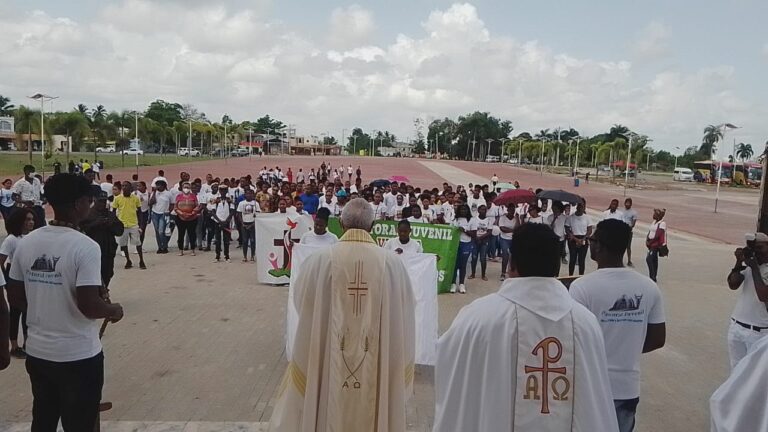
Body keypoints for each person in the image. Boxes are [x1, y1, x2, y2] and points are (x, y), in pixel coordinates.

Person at [434, 223, 619, 432]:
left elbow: (449, 366)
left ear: (512, 263)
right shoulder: (585, 323)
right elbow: (596, 403)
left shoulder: (478, 317)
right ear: (556, 265)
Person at [269, 198, 415, 431]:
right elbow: (406, 311)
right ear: (373, 226)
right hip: (375, 365)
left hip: (328, 359)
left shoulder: (319, 261)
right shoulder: (392, 265)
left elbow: (301, 302)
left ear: (341, 225)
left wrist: (324, 321)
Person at [6, 173, 124, 431]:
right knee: (80, 423)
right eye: (89, 200)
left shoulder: (29, 242)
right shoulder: (85, 246)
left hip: (38, 354)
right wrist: (113, 310)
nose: (91, 205)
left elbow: (14, 296)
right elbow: (90, 306)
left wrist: (45, 307)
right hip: (78, 357)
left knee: (44, 419)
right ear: (79, 203)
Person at [570, 219, 666, 432]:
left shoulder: (582, 288)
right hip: (627, 386)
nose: (589, 243)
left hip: (590, 386)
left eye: (592, 239)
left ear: (599, 246)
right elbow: (658, 339)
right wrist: (627, 347)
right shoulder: (648, 287)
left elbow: (572, 338)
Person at [725, 232, 768, 369]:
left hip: (758, 332)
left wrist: (755, 267)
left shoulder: (758, 267)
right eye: (754, 248)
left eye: (760, 247)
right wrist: (739, 261)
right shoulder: (749, 265)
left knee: (752, 375)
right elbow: (733, 284)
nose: (757, 252)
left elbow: (763, 296)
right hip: (737, 326)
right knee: (736, 372)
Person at [0, 207, 35, 359]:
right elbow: (1, 261)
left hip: (29, 276)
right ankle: (14, 346)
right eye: (27, 219)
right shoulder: (11, 239)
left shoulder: (33, 237)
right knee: (15, 312)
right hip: (14, 276)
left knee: (28, 311)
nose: (31, 222)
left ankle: (28, 342)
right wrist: (6, 281)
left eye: (32, 219)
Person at [80, 191, 124, 292]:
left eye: (104, 202)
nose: (102, 204)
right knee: (94, 275)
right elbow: (80, 230)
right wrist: (95, 224)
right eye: (100, 201)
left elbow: (120, 231)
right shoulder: (87, 214)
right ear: (94, 200)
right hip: (91, 251)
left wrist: (110, 225)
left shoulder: (110, 215)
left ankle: (104, 291)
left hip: (108, 250)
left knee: (108, 273)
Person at [113, 181, 147, 269]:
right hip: (122, 225)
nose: (124, 187)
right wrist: (115, 223)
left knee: (138, 243)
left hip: (133, 224)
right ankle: (128, 260)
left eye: (126, 186)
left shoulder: (135, 198)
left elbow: (140, 212)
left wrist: (141, 225)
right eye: (123, 186)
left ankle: (141, 260)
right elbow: (113, 212)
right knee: (123, 244)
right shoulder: (117, 198)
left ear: (130, 188)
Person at [450, 204, 476, 294]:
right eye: (461, 209)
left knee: (463, 264)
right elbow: (450, 231)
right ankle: (453, 283)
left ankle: (461, 284)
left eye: (465, 209)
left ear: (468, 211)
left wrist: (464, 230)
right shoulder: (455, 220)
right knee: (454, 264)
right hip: (455, 244)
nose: (463, 211)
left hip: (466, 244)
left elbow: (474, 234)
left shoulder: (472, 220)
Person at [565, 201, 593, 276]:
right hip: (573, 239)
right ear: (577, 207)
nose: (580, 208)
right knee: (572, 260)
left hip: (583, 239)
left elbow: (590, 230)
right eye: (579, 206)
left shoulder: (587, 218)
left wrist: (583, 239)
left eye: (582, 206)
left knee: (581, 260)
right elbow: (567, 228)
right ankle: (570, 276)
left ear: (584, 207)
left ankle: (581, 276)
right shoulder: (571, 217)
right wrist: (575, 238)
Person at [175, 181, 200, 256]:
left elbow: (197, 206)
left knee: (192, 234)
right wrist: (182, 213)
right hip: (180, 218)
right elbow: (175, 207)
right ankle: (180, 250)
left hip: (192, 218)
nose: (186, 189)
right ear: (182, 188)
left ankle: (192, 249)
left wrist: (192, 213)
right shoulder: (178, 196)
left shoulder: (193, 196)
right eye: (185, 187)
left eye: (187, 187)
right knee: (181, 234)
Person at [149, 180, 174, 254]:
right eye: (157, 185)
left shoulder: (168, 194)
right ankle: (160, 247)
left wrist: (168, 211)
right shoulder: (154, 193)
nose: (157, 187)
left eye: (159, 185)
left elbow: (172, 204)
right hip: (155, 213)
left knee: (161, 231)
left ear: (163, 186)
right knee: (157, 231)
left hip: (163, 214)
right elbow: (151, 203)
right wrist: (154, 193)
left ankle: (164, 245)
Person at [212, 185, 234, 263]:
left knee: (226, 240)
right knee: (217, 240)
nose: (223, 192)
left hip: (226, 222)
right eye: (221, 190)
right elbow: (213, 212)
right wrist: (219, 221)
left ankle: (226, 256)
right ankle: (217, 256)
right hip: (218, 222)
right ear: (219, 191)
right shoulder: (216, 200)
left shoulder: (229, 200)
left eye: (224, 190)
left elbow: (232, 211)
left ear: (226, 191)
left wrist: (226, 221)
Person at [237, 189, 260, 261]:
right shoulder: (241, 203)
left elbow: (258, 215)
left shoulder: (256, 204)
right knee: (245, 241)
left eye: (250, 194)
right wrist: (242, 223)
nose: (249, 195)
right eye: (247, 194)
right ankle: (245, 256)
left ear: (252, 195)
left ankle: (252, 255)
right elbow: (239, 214)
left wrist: (253, 223)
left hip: (252, 224)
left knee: (253, 240)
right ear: (245, 195)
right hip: (244, 224)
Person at [470, 204, 491, 281]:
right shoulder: (474, 219)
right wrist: (476, 238)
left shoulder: (488, 220)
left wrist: (481, 238)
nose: (483, 211)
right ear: (478, 210)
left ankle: (483, 275)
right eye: (482, 209)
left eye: (485, 210)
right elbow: (471, 230)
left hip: (484, 241)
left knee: (483, 258)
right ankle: (473, 274)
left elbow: (489, 232)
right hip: (475, 240)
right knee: (474, 258)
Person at [645, 208, 667, 282]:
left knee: (649, 259)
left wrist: (650, 242)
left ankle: (652, 276)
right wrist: (647, 239)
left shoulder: (662, 223)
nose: (653, 215)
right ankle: (654, 276)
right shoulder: (654, 221)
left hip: (655, 244)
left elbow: (658, 235)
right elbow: (650, 231)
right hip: (650, 243)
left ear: (658, 216)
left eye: (654, 214)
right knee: (654, 259)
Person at [498, 204, 517, 281]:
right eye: (511, 209)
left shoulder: (516, 218)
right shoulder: (502, 217)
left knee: (513, 257)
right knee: (505, 255)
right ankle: (503, 273)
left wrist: (518, 219)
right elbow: (502, 228)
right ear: (508, 210)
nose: (512, 211)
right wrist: (513, 230)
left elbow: (518, 228)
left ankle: (511, 272)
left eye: (514, 210)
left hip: (513, 239)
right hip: (504, 238)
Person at [622, 198, 638, 266]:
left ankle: (629, 260)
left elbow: (633, 223)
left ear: (631, 204)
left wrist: (629, 227)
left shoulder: (633, 212)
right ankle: (620, 260)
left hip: (628, 230)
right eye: (626, 203)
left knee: (628, 246)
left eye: (628, 203)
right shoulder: (621, 211)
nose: (627, 204)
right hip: (621, 230)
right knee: (621, 246)